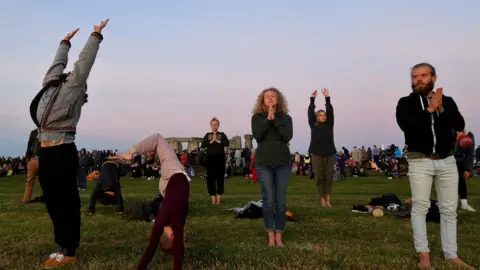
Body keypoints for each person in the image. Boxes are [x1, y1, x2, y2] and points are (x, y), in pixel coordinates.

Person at [28, 19, 109, 268]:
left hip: (63, 150)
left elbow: (85, 62)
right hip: (45, 150)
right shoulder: (50, 84)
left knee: (67, 201)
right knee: (52, 201)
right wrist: (65, 41)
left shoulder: (73, 87)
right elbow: (57, 63)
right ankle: (60, 246)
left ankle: (69, 250)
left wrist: (95, 35)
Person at [395, 63, 473, 269]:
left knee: (449, 209)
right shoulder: (406, 103)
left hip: (447, 160)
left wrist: (441, 108)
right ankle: (424, 254)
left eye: (423, 75)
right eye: (414, 77)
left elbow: (459, 123)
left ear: (433, 78)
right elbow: (407, 124)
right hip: (420, 160)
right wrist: (429, 109)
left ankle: (451, 254)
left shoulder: (447, 101)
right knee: (420, 206)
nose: (418, 79)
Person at [113, 133, 190, 270]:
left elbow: (178, 249)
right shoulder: (160, 220)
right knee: (157, 141)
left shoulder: (176, 221)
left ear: (172, 236)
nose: (185, 237)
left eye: (183, 238)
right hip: (165, 189)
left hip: (174, 174)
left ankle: (130, 153)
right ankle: (140, 154)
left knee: (157, 139)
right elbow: (151, 246)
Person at [251, 87, 293, 247]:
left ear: (278, 99)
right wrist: (268, 119)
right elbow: (258, 135)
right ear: (262, 100)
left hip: (282, 162)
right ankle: (270, 233)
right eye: (266, 96)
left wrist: (274, 119)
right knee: (268, 200)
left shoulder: (286, 118)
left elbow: (287, 136)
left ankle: (279, 235)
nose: (269, 98)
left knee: (280, 201)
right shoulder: (257, 117)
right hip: (264, 162)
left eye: (273, 96)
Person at [307, 89, 336, 208]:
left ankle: (328, 198)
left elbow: (330, 111)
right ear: (317, 117)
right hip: (317, 153)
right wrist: (312, 99)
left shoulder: (330, 124)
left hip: (329, 152)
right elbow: (310, 112)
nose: (323, 117)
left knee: (329, 176)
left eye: (324, 115)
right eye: (320, 115)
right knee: (319, 176)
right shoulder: (313, 125)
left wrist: (327, 98)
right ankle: (322, 198)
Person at [201, 117, 230, 204]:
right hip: (210, 159)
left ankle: (219, 196)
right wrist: (210, 142)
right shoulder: (207, 135)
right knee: (210, 178)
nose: (214, 126)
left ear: (218, 125)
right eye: (212, 125)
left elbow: (227, 143)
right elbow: (203, 145)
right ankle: (213, 196)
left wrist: (217, 141)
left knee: (220, 178)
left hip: (220, 159)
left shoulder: (222, 134)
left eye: (216, 124)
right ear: (210, 125)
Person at [454, 129, 476, 212]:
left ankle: (464, 204)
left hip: (459, 159)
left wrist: (468, 169)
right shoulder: (446, 129)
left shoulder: (469, 134)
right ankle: (450, 203)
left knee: (461, 180)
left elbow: (470, 153)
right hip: (446, 158)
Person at [23, 128, 41, 204]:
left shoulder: (49, 132)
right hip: (33, 158)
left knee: (46, 181)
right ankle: (26, 200)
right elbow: (29, 144)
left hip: (44, 159)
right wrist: (27, 157)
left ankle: (47, 199)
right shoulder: (33, 132)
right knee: (29, 180)